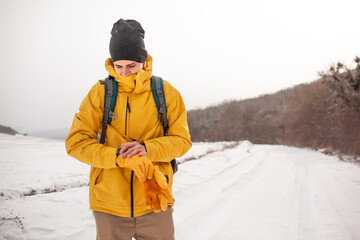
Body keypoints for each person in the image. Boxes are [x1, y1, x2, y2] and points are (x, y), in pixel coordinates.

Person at [65, 18, 192, 240]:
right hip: (109, 204)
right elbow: (76, 144)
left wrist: (147, 149)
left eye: (131, 66)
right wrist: (117, 157)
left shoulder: (166, 92)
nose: (124, 73)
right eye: (118, 66)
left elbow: (182, 141)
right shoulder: (100, 93)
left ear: (143, 60)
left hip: (156, 198)